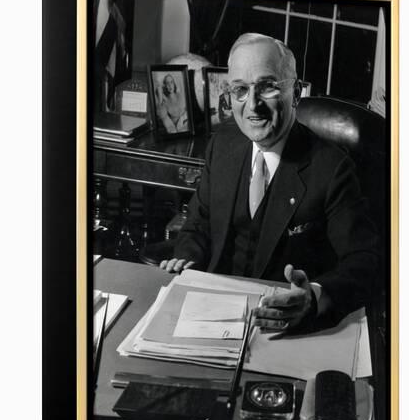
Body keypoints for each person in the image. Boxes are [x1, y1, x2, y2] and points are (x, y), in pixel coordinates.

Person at [160, 33, 379, 331]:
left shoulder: (332, 168)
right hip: (212, 316)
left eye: (267, 87)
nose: (252, 105)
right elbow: (199, 223)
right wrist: (187, 259)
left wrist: (313, 296)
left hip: (287, 325)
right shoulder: (223, 145)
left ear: (296, 93)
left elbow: (364, 261)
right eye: (240, 90)